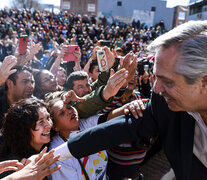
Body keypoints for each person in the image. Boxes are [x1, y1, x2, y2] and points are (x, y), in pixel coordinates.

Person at [53, 21, 207, 180]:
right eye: (156, 77)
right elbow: (120, 128)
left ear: (204, 82)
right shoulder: (163, 101)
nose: (156, 89)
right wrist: (54, 155)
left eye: (168, 82)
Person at [0, 98, 53, 178]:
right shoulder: (14, 167)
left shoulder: (52, 145)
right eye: (41, 122)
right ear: (24, 130)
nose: (49, 125)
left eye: (48, 118)